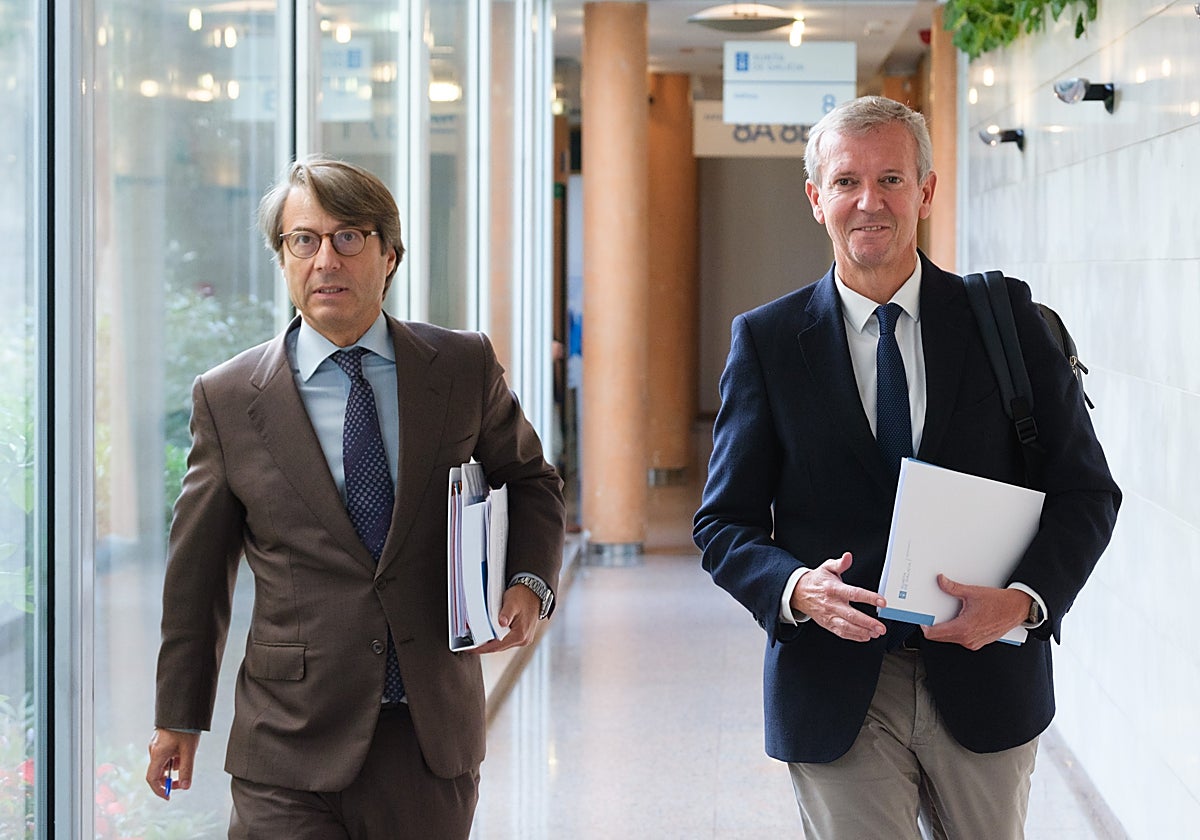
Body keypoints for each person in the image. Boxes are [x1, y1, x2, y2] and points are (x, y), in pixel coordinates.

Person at [693, 96, 1119, 839]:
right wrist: (797, 589)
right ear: (815, 198)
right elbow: (723, 523)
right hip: (834, 680)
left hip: (986, 674)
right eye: (846, 181)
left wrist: (1023, 602)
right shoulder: (767, 342)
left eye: (891, 179)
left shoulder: (1006, 323)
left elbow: (1087, 492)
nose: (869, 201)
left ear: (925, 191)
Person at [145, 155, 565, 839]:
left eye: (348, 237)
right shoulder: (227, 399)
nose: (325, 260)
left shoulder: (460, 366)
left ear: (389, 254)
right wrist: (178, 718)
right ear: (283, 258)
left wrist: (527, 580)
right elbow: (197, 578)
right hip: (287, 739)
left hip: (426, 734)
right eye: (302, 240)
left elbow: (532, 479)